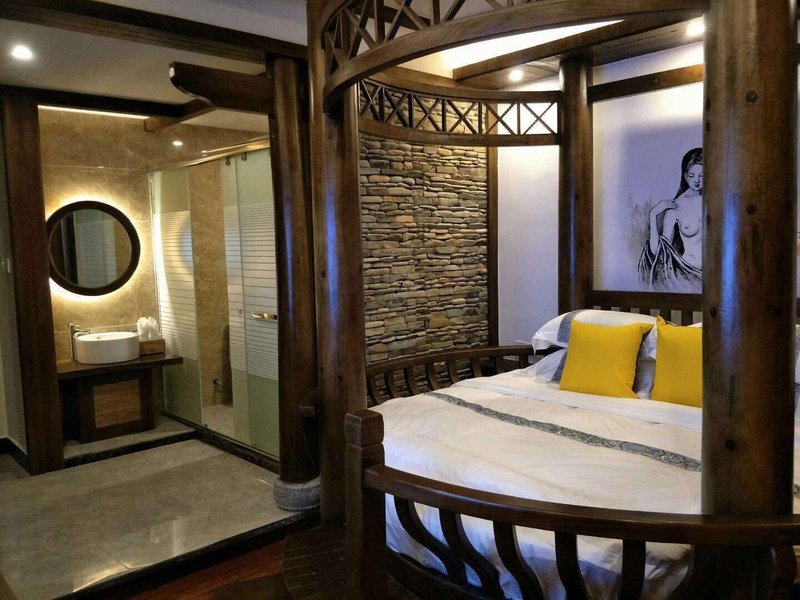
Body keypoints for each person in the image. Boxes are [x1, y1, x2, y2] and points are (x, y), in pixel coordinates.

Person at [638, 148, 703, 292]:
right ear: (685, 176)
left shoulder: (717, 202)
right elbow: (659, 250)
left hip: (716, 275)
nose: (697, 180)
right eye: (692, 175)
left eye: (702, 175)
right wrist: (653, 214)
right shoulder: (676, 206)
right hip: (687, 275)